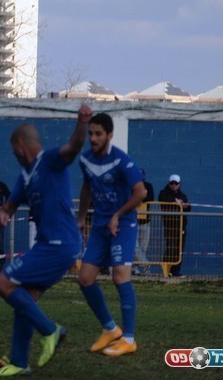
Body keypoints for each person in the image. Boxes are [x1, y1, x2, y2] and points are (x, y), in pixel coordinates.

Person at [0, 104, 92, 377]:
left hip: (59, 245)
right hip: (51, 246)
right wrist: (2, 214)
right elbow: (9, 207)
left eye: (13, 150)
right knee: (25, 300)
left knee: (2, 282)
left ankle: (51, 331)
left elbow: (74, 146)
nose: (13, 155)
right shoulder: (24, 177)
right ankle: (20, 363)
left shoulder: (49, 161)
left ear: (20, 144)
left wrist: (82, 121)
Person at [76, 113, 146, 357]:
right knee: (84, 278)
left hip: (123, 225)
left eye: (98, 134)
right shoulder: (85, 160)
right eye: (91, 133)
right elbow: (87, 187)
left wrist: (118, 214)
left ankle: (128, 338)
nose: (93, 138)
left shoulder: (122, 161)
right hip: (99, 227)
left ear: (109, 135)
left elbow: (140, 193)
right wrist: (82, 217)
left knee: (120, 277)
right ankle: (110, 329)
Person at [158, 174, 190, 277]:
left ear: (179, 184)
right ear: (169, 183)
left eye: (176, 183)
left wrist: (185, 206)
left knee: (179, 250)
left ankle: (175, 271)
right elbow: (163, 199)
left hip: (181, 226)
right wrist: (175, 202)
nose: (174, 185)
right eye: (172, 183)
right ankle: (166, 271)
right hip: (170, 225)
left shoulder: (183, 195)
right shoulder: (164, 193)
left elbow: (188, 208)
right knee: (170, 248)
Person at [132, 170, 155, 276]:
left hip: (145, 221)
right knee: (134, 246)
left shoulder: (148, 186)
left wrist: (140, 198)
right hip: (133, 220)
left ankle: (136, 268)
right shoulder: (131, 185)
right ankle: (146, 264)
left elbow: (151, 197)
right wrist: (140, 197)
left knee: (143, 247)